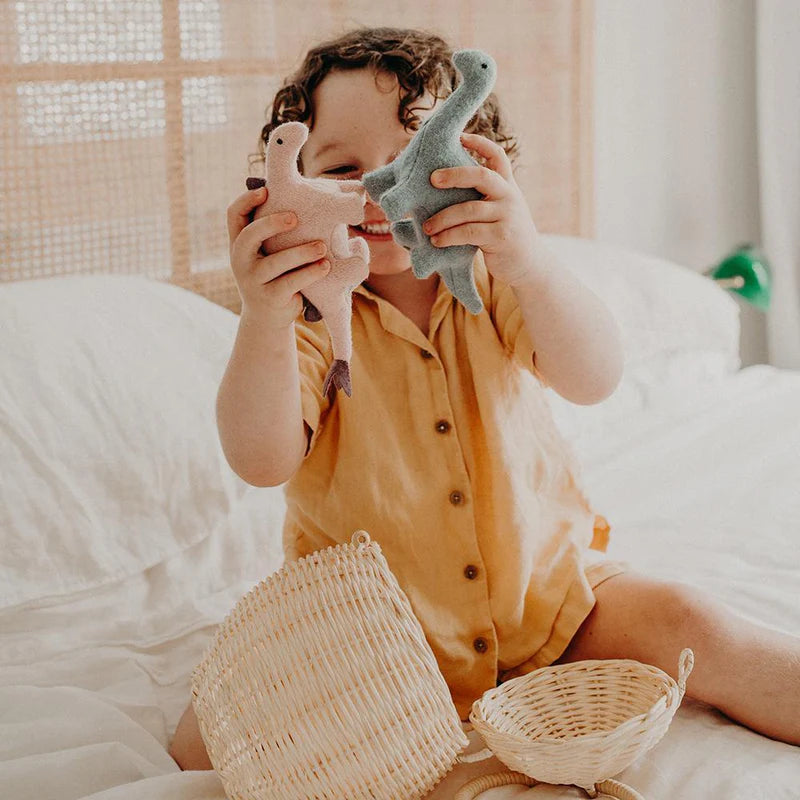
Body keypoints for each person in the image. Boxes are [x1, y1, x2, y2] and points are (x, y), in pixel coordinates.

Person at [169, 27, 800, 770]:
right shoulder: (309, 319)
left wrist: (528, 257)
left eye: (413, 157)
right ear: (292, 186)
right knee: (212, 741)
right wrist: (264, 316)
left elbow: (593, 376)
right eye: (343, 168)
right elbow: (261, 459)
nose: (381, 187)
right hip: (381, 647)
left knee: (695, 623)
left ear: (474, 166)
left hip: (550, 606)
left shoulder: (496, 278)